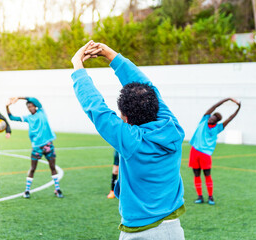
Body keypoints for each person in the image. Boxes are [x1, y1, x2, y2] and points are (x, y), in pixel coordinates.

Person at [71, 41, 185, 239]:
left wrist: (77, 66)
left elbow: (96, 108)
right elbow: (149, 88)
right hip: (173, 229)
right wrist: (111, 55)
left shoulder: (132, 141)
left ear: (125, 118)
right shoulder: (172, 126)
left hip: (141, 233)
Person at [6, 97, 63, 198]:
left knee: (52, 167)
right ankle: (27, 190)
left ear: (35, 106)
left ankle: (57, 189)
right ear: (27, 108)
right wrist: (7, 106)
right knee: (32, 168)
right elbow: (12, 118)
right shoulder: (28, 118)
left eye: (32, 106)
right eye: (29, 106)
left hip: (48, 145)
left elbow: (33, 98)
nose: (31, 108)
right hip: (37, 147)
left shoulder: (41, 112)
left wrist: (19, 98)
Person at [189, 98, 241, 205]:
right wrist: (228, 99)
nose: (210, 118)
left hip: (205, 154)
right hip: (194, 151)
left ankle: (210, 197)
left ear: (216, 121)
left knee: (207, 174)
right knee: (196, 174)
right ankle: (200, 196)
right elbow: (214, 107)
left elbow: (230, 118)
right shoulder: (204, 120)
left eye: (213, 118)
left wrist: (238, 107)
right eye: (211, 116)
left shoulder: (218, 128)